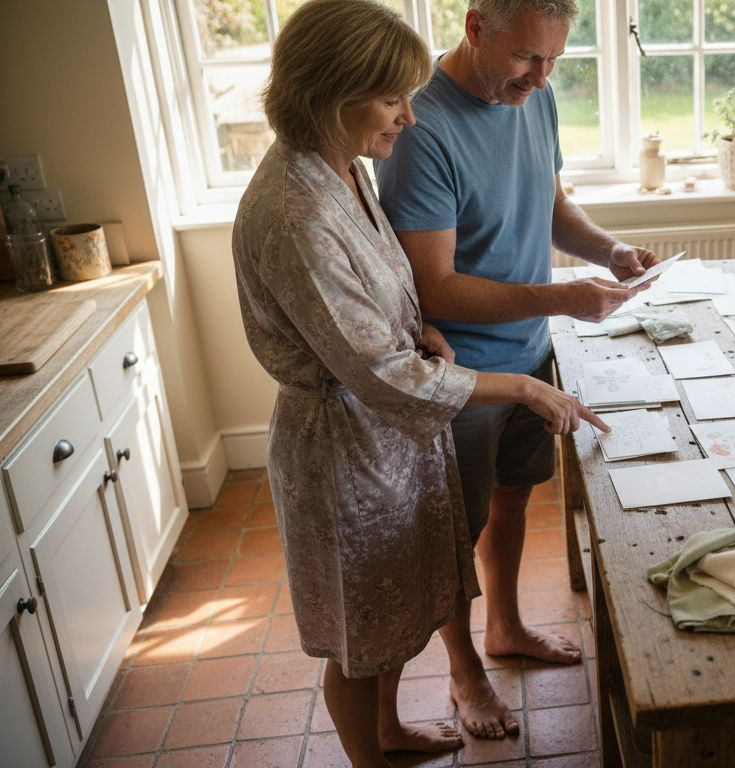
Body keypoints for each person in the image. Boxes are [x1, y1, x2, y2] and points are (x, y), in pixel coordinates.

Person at [231, 2, 605, 765]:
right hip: (347, 446)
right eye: (393, 98)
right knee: (359, 636)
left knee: (391, 606)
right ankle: (374, 750)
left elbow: (380, 294)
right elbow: (381, 375)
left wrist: (418, 325)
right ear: (329, 92)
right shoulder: (297, 210)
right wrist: (525, 388)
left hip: (385, 435)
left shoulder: (340, 167)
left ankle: (390, 731)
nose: (409, 115)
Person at [375, 0, 659, 739]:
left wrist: (607, 252)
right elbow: (433, 284)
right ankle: (464, 673)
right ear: (476, 29)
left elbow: (552, 202)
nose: (541, 77)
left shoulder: (535, 96)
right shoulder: (422, 130)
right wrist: (563, 296)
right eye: (528, 58)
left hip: (530, 353)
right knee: (451, 538)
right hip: (461, 377)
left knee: (511, 502)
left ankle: (505, 627)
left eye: (554, 60)